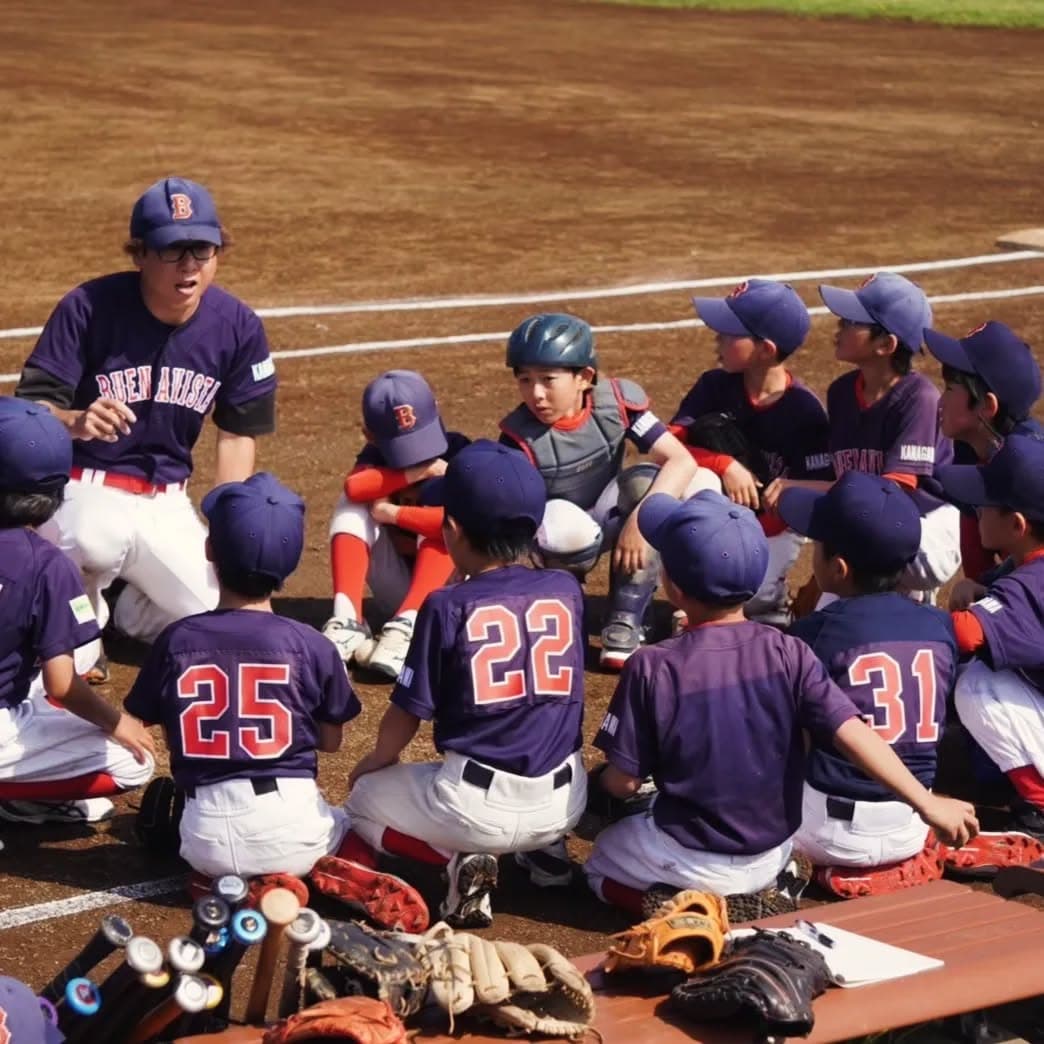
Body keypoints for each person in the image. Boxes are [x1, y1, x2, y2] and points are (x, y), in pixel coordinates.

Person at [582, 488, 979, 916]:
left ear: (673, 588)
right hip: (773, 849)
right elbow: (852, 731)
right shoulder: (789, 649)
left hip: (695, 852)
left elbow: (624, 782)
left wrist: (596, 789)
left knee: (600, 862)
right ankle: (775, 879)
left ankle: (686, 909)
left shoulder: (653, 664)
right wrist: (926, 803)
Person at [123, 472, 426, 928]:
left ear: (210, 551)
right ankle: (347, 868)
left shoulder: (176, 639)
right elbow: (330, 742)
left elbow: (139, 720)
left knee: (201, 859)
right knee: (346, 825)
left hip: (207, 825)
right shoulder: (312, 644)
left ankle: (224, 889)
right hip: (292, 821)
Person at [15, 176, 278, 679]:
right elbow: (29, 411)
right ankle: (82, 614)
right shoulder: (88, 307)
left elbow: (237, 433)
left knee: (220, 617)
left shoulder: (238, 326)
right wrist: (73, 420)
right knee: (78, 605)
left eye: (201, 248)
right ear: (139, 254)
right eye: (171, 249)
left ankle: (128, 611)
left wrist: (226, 529)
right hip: (85, 492)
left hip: (166, 504)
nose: (189, 264)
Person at [345, 441, 588, 928]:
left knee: (361, 804)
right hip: (565, 802)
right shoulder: (567, 590)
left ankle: (457, 860)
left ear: (452, 529)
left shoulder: (446, 604)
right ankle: (545, 850)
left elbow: (407, 713)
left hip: (476, 806)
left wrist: (374, 763)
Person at [777, 472, 958, 896]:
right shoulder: (940, 624)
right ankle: (899, 858)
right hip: (916, 819)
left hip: (825, 831)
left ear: (838, 569)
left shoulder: (814, 633)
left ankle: (796, 864)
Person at [498, 312, 706, 670]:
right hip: (557, 537)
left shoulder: (617, 404)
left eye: (548, 379)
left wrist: (641, 521)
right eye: (525, 380)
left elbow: (680, 460)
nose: (536, 394)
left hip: (608, 514)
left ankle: (627, 618)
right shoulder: (517, 437)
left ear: (585, 377)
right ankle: (566, 603)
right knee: (562, 524)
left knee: (649, 485)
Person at [0, 398, 154, 827]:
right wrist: (116, 721)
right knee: (133, 762)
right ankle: (19, 799)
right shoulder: (47, 564)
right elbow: (62, 684)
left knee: (75, 651)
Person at [763, 272, 960, 606]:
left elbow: (890, 496)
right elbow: (852, 497)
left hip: (923, 533)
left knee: (875, 612)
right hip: (869, 526)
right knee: (825, 617)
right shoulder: (841, 393)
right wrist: (822, 577)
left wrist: (798, 487)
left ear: (885, 345)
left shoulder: (919, 399)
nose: (839, 326)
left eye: (852, 321)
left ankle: (914, 606)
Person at [670, 279, 832, 627]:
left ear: (766, 350)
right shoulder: (714, 385)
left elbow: (814, 494)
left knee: (742, 591)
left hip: (773, 526)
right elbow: (668, 445)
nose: (718, 338)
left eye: (730, 333)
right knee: (691, 477)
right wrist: (723, 464)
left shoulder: (804, 412)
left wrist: (746, 533)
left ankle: (771, 599)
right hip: (717, 514)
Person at [321, 370, 469, 679]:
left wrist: (393, 513)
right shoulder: (375, 457)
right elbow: (354, 488)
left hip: (454, 594)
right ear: (369, 435)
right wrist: (421, 472)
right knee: (351, 505)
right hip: (398, 590)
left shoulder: (459, 449)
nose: (418, 454)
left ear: (437, 410)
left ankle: (408, 625)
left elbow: (462, 523)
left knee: (450, 514)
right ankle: (349, 621)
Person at [936, 435, 1044, 848]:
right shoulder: (1026, 565)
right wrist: (980, 590)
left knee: (978, 684)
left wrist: (902, 620)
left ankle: (1039, 806)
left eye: (985, 503)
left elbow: (965, 633)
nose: (976, 509)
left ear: (1017, 525)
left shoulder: (1032, 581)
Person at [924, 320, 1042, 585]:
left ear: (987, 406)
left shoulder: (1029, 470)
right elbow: (973, 542)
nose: (940, 401)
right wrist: (979, 585)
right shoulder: (969, 445)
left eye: (950, 389)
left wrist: (991, 587)